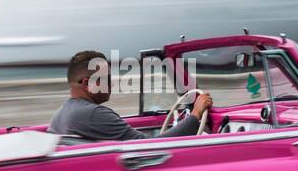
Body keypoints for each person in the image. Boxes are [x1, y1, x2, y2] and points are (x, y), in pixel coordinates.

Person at [49, 50, 213, 141]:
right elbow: (152, 146)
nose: (112, 84)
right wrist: (195, 114)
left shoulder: (61, 114)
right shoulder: (93, 114)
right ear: (87, 83)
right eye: (106, 78)